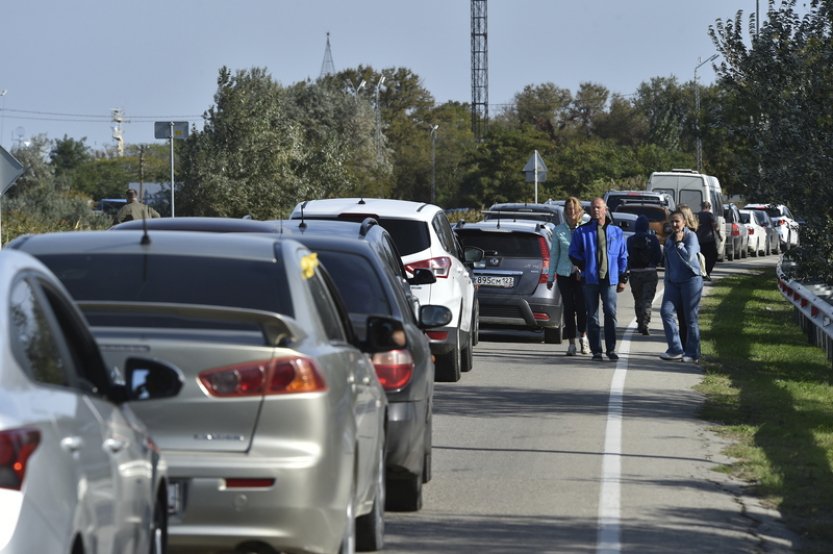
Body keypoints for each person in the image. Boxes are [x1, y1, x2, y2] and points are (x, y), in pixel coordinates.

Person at [568, 197, 628, 361]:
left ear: (605, 209)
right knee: (592, 316)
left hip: (610, 279)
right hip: (590, 279)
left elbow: (623, 255)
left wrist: (623, 277)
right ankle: (596, 351)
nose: (596, 210)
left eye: (599, 207)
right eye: (593, 207)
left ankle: (611, 349)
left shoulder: (616, 231)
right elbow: (573, 252)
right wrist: (584, 264)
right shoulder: (582, 231)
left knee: (610, 313)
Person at [659, 208, 705, 363]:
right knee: (666, 312)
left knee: (690, 318)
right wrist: (667, 281)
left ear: (684, 222)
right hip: (673, 282)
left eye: (677, 221)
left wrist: (680, 243)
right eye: (672, 221)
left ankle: (692, 353)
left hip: (691, 281)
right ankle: (675, 348)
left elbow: (689, 257)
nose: (674, 224)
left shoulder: (691, 237)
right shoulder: (670, 238)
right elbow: (668, 263)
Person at [547, 196, 589, 356]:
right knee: (569, 309)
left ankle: (583, 338)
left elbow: (589, 252)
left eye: (574, 209)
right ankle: (571, 343)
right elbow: (555, 254)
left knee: (582, 308)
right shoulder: (559, 230)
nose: (572, 212)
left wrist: (583, 268)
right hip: (564, 274)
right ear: (565, 211)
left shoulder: (585, 228)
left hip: (581, 274)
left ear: (579, 210)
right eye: (569, 209)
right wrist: (550, 277)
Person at [626, 215, 662, 335]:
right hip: (650, 272)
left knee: (638, 299)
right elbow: (658, 256)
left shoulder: (630, 239)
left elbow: (628, 255)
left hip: (635, 273)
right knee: (647, 299)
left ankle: (640, 321)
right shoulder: (653, 239)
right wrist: (653, 263)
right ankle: (645, 322)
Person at [696, 200, 720, 277]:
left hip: (699, 240)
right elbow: (715, 226)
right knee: (713, 256)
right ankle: (707, 272)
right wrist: (719, 236)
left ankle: (702, 272)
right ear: (708, 207)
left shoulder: (697, 215)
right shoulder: (710, 215)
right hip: (709, 240)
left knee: (701, 257)